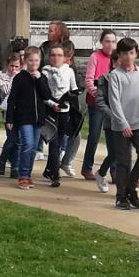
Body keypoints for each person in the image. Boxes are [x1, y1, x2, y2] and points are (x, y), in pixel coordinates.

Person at [101, 39, 139, 210]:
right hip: (120, 126)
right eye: (124, 53)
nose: (128, 56)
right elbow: (114, 102)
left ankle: (131, 188)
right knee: (123, 161)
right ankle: (121, 196)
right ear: (120, 55)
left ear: (136, 53)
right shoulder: (115, 75)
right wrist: (123, 123)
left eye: (131, 53)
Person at [6, 46, 55, 190]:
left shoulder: (42, 77)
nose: (33, 64)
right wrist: (9, 118)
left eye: (36, 60)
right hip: (23, 117)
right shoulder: (20, 78)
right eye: (31, 60)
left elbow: (47, 95)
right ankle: (23, 175)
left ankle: (28, 174)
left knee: (34, 148)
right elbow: (12, 99)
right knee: (27, 145)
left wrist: (39, 79)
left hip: (38, 118)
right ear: (25, 61)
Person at [81, 29, 120, 189]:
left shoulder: (117, 58)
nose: (110, 44)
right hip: (97, 101)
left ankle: (115, 171)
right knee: (94, 134)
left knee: (114, 137)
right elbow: (89, 81)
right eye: (107, 41)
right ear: (101, 42)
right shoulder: (95, 57)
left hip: (114, 102)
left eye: (112, 41)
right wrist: (100, 95)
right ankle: (87, 167)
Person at [39, 44, 80, 188]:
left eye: (59, 55)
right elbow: (42, 94)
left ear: (64, 58)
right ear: (49, 57)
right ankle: (54, 174)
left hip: (65, 111)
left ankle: (50, 170)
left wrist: (73, 96)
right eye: (53, 55)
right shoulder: (44, 72)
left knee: (60, 142)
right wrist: (52, 104)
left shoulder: (69, 71)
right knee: (54, 143)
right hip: (50, 111)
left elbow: (74, 88)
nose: (56, 58)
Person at [0, 50, 24, 178]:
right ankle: (2, 159)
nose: (13, 69)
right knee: (12, 139)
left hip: (20, 112)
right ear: (8, 65)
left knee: (19, 141)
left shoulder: (23, 77)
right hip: (7, 111)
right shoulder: (3, 78)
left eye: (17, 66)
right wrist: (14, 79)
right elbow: (6, 92)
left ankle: (15, 167)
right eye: (12, 66)